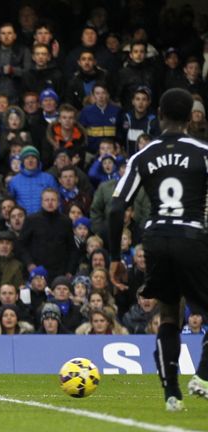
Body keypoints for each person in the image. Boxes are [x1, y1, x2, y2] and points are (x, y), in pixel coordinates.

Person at [108, 88, 208, 412]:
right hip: (191, 237)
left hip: (155, 239)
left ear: (160, 114)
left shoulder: (143, 156)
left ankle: (172, 395)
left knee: (168, 314)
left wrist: (114, 258)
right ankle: (203, 377)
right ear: (191, 117)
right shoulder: (202, 152)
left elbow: (114, 209)